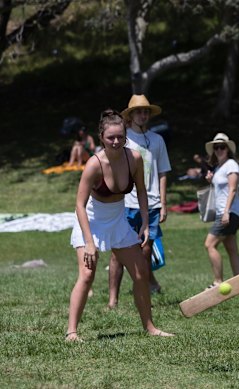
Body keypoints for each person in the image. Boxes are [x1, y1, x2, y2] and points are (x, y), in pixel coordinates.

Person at [66, 109, 173, 341]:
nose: (116, 141)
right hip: (91, 223)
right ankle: (72, 332)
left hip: (118, 221)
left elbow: (142, 192)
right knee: (86, 275)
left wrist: (145, 222)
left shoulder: (133, 158)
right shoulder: (94, 164)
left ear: (125, 136)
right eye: (110, 137)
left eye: (120, 137)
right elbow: (79, 205)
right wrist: (89, 243)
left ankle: (150, 327)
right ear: (102, 137)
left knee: (141, 273)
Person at [108, 95, 171, 308]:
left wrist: (162, 203)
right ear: (131, 115)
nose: (142, 115)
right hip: (125, 203)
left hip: (151, 205)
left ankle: (142, 297)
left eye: (146, 111)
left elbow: (163, 172)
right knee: (118, 252)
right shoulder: (123, 140)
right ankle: (113, 300)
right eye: (138, 112)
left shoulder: (157, 140)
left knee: (144, 253)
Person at [204, 133, 239, 288]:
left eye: (222, 147)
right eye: (216, 147)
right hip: (228, 213)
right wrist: (210, 180)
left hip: (229, 213)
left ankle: (218, 281)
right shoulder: (219, 168)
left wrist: (226, 211)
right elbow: (221, 190)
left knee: (209, 244)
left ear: (228, 149)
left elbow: (233, 189)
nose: (219, 149)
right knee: (231, 247)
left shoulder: (231, 165)